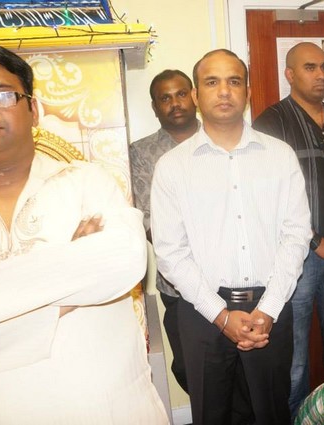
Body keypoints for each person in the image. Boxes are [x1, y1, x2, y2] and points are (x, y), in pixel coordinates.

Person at [0, 41, 168, 423]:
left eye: (0, 94)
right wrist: (69, 284)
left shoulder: (88, 180)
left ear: (33, 110)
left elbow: (126, 258)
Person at [151, 49, 312, 425]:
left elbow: (296, 235)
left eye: (234, 81)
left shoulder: (280, 156)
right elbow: (171, 253)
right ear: (196, 94)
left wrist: (268, 309)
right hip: (202, 312)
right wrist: (220, 316)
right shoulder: (172, 167)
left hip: (270, 309)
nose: (224, 90)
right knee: (212, 414)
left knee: (271, 413)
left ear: (248, 92)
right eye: (212, 82)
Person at [253, 41, 324, 416]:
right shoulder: (271, 124)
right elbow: (267, 198)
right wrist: (316, 242)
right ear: (289, 74)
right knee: (295, 359)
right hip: (294, 259)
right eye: (309, 67)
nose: (320, 75)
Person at [129, 68, 199, 391]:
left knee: (240, 370)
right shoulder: (141, 153)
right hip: (178, 284)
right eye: (165, 98)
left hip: (232, 280)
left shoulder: (221, 139)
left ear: (194, 96)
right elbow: (148, 220)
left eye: (181, 94)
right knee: (189, 368)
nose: (175, 103)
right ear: (155, 107)